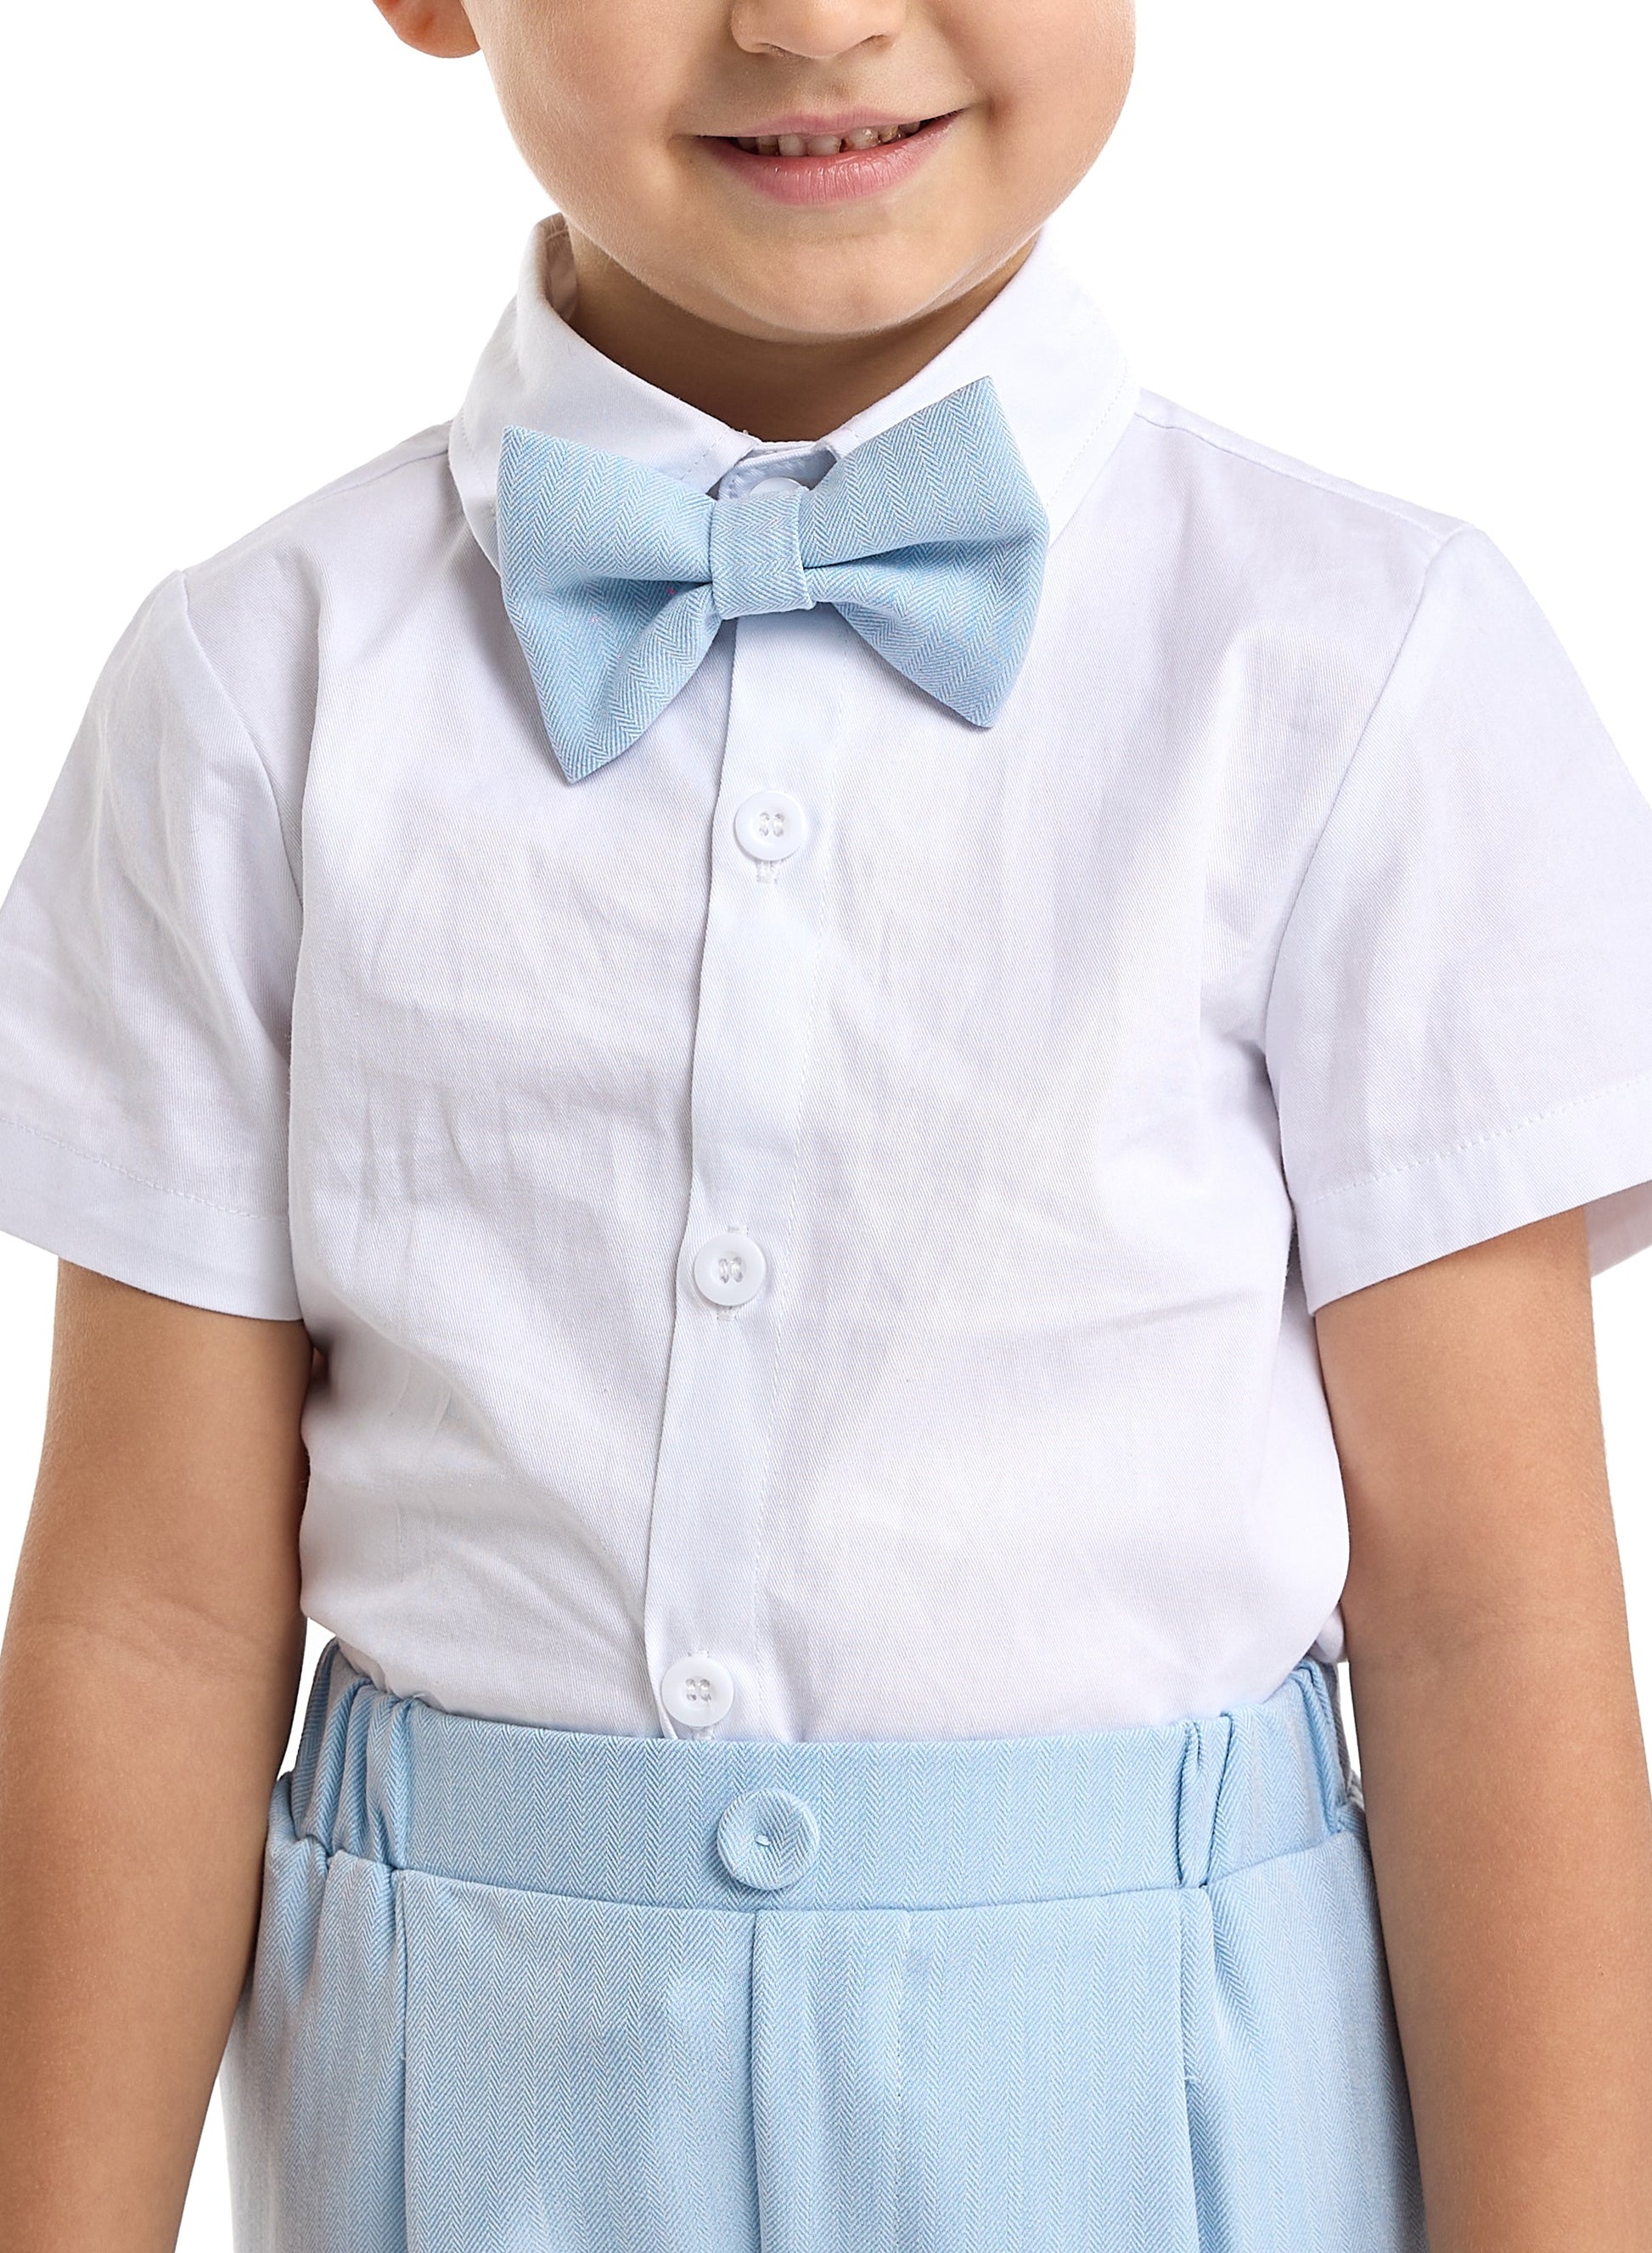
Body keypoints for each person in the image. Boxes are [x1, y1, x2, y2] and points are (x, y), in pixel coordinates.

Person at [2, 0, 1650, 2245]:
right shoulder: (254, 690)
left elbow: (1487, 1629)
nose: (813, 19)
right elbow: (151, 1625)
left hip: (1169, 2135)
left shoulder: (1362, 668)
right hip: (467, 2131)